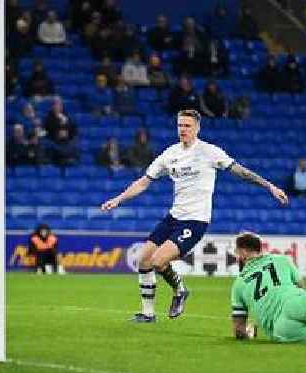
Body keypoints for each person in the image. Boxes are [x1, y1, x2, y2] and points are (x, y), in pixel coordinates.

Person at [100, 110, 288, 323]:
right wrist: (119, 199)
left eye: (188, 126)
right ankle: (148, 313)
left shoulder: (209, 152)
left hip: (195, 220)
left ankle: (180, 290)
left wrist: (270, 186)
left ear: (197, 128)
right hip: (173, 217)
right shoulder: (169, 154)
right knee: (143, 258)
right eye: (180, 125)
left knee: (159, 260)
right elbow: (144, 181)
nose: (183, 130)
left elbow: (241, 172)